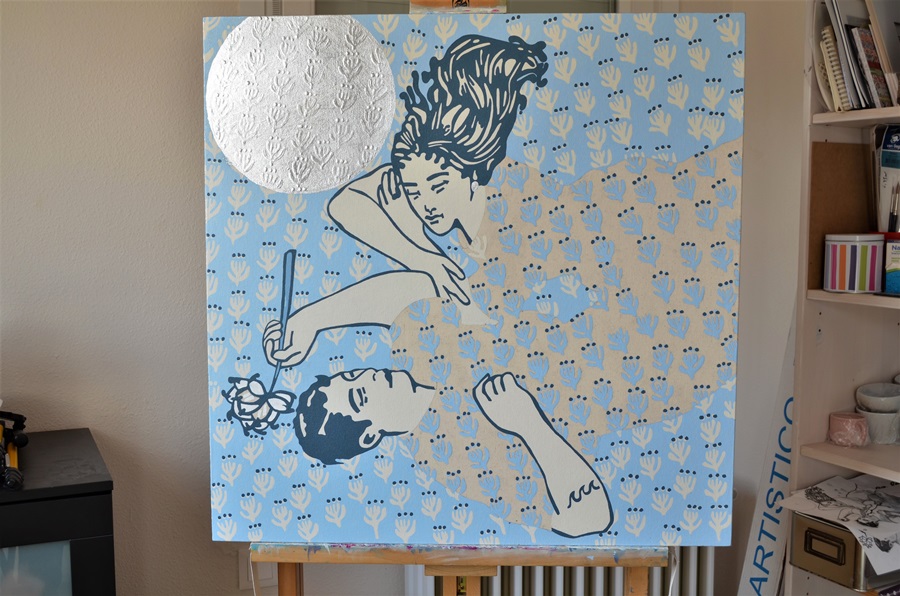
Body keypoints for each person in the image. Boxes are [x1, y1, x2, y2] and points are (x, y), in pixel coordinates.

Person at [294, 367, 613, 537]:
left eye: (352, 375)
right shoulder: (448, 465)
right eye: (361, 396)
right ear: (369, 435)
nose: (371, 375)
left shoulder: (415, 343)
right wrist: (530, 424)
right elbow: (590, 518)